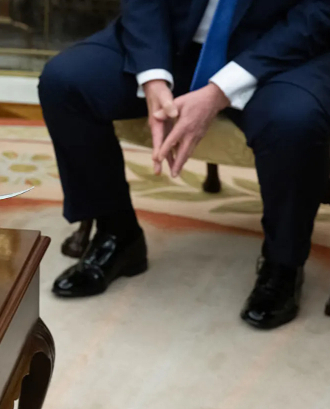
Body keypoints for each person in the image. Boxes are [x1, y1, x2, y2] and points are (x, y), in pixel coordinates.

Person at [39, 0, 330, 329]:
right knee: (66, 82)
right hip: (175, 38)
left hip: (282, 51)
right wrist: (152, 76)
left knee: (292, 121)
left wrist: (220, 91)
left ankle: (283, 265)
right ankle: (117, 235)